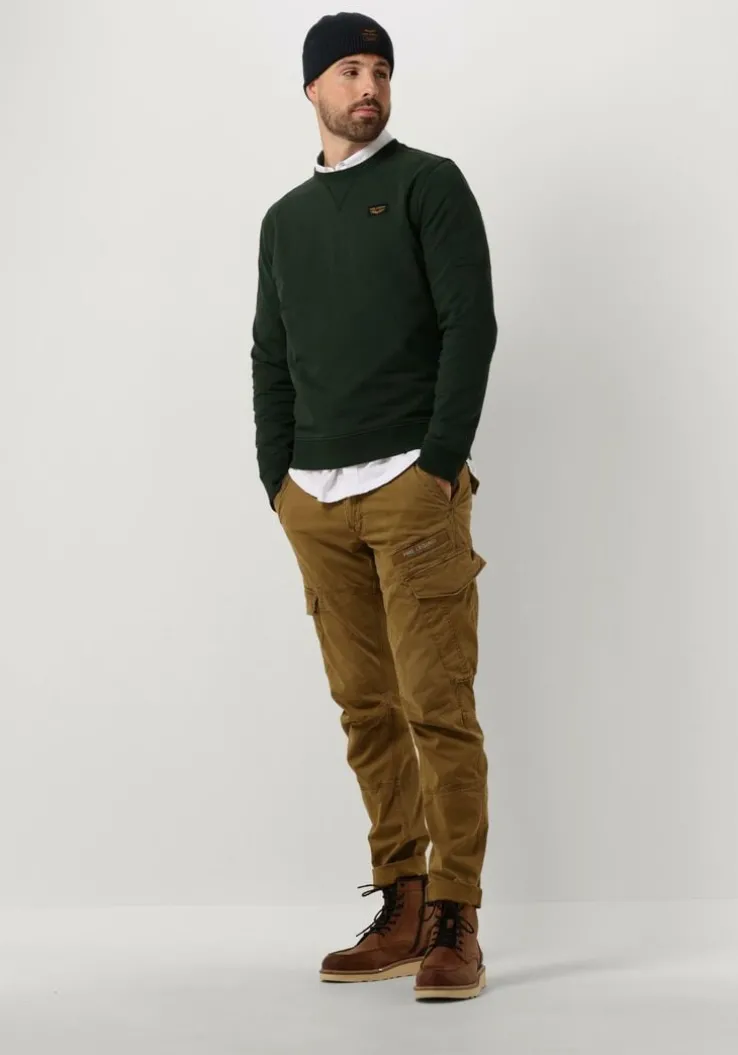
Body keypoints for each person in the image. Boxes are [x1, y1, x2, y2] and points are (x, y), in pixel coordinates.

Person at [250, 11, 498, 1002]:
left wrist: (439, 463)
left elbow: (470, 325)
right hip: (314, 497)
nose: (370, 87)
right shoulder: (284, 221)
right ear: (312, 87)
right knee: (366, 710)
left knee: (438, 705)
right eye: (350, 70)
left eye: (382, 70)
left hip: (410, 489)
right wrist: (277, 477)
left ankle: (456, 919)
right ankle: (402, 900)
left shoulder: (429, 185)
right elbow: (270, 353)